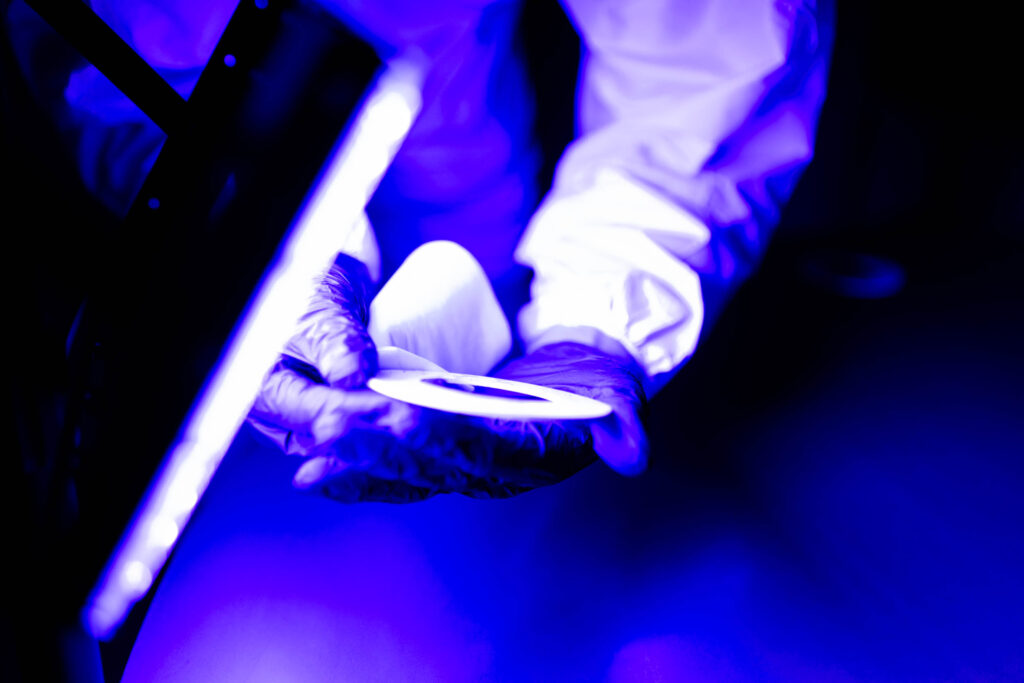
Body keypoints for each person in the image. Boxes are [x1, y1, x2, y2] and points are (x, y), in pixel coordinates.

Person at [11, 0, 831, 497]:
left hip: (476, 219)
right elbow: (75, 76)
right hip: (172, 317)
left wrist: (601, 323)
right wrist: (250, 248)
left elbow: (705, 44)